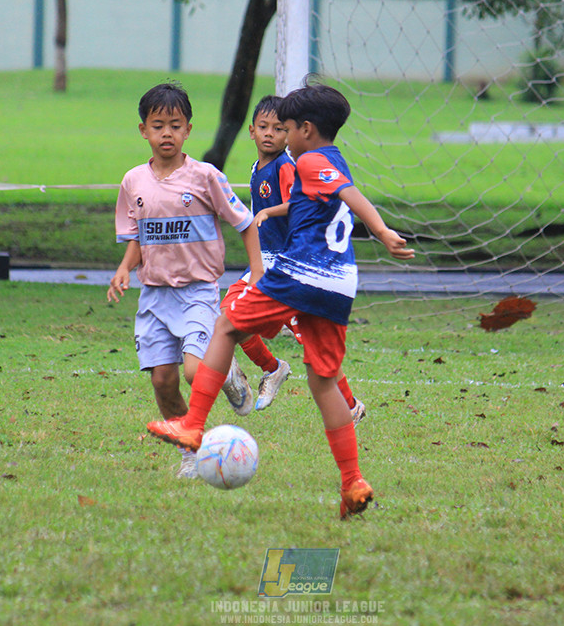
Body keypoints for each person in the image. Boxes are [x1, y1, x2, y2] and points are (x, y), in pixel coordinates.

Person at [147, 82, 415, 518]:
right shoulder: (332, 158)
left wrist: (382, 231)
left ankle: (193, 426)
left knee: (227, 323)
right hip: (341, 281)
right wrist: (275, 212)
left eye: (286, 127)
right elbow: (327, 198)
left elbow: (351, 196)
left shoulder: (308, 159)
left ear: (305, 129)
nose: (283, 136)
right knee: (323, 380)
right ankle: (352, 483)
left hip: (302, 272)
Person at [106, 82, 264, 479]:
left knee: (195, 371)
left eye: (175, 126)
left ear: (188, 130)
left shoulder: (206, 176)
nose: (166, 134)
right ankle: (189, 452)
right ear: (143, 129)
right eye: (158, 125)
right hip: (154, 294)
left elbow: (245, 223)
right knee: (163, 380)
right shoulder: (133, 182)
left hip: (197, 290)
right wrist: (125, 268)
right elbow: (139, 237)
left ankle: (224, 372)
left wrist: (258, 271)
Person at [221, 95, 366, 423]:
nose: (269, 134)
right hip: (270, 260)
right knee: (239, 317)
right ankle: (274, 370)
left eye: (277, 128)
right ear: (251, 131)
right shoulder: (258, 168)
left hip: (289, 263)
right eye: (263, 127)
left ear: (290, 134)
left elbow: (298, 203)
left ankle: (345, 404)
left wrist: (271, 211)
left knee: (236, 316)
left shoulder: (287, 167)